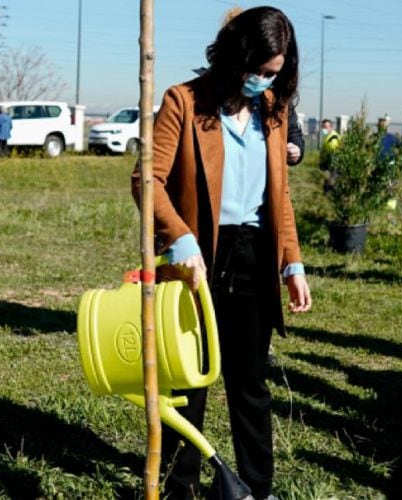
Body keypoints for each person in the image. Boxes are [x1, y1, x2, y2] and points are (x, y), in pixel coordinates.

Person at [131, 6, 311, 499]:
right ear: (234, 57)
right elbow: (147, 181)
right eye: (257, 70)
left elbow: (281, 196)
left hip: (256, 256)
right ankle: (178, 485)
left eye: (273, 73)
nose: (262, 81)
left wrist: (291, 263)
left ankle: (256, 486)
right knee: (190, 380)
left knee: (250, 382)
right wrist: (181, 238)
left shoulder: (275, 111)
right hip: (200, 255)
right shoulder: (183, 102)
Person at [319, 119, 340, 192]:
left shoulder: (333, 138)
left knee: (331, 183)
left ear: (331, 127)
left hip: (333, 165)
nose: (324, 129)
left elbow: (334, 152)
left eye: (325, 127)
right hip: (330, 164)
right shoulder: (329, 136)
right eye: (323, 127)